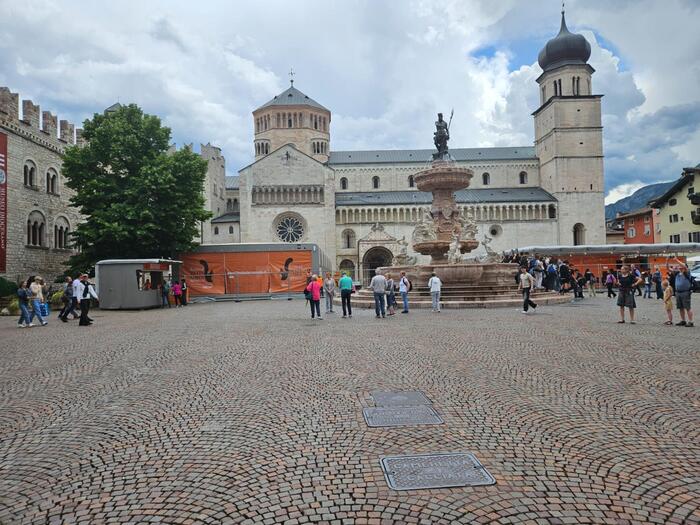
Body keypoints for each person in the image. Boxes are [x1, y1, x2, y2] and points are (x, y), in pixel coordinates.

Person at [668, 259, 694, 327]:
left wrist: (676, 259)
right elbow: (668, 268)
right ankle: (683, 320)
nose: (679, 266)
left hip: (685, 292)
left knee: (687, 307)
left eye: (680, 266)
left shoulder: (687, 273)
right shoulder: (677, 273)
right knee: (680, 307)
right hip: (678, 292)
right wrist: (667, 261)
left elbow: (684, 266)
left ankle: (691, 321)